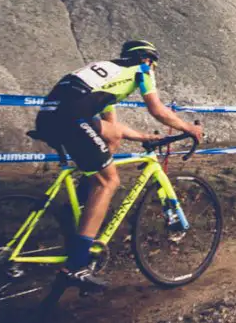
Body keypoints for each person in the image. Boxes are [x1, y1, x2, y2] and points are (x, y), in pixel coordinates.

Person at [32, 40, 202, 291]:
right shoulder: (141, 70)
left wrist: (145, 137)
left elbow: (112, 131)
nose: (153, 69)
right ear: (148, 60)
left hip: (50, 115)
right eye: (154, 64)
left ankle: (82, 200)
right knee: (109, 181)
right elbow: (157, 110)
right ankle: (77, 265)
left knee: (100, 169)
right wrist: (190, 128)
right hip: (71, 117)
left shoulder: (106, 75)